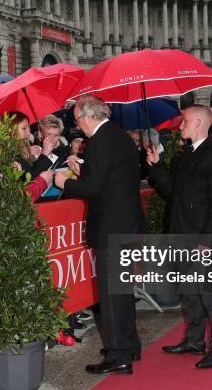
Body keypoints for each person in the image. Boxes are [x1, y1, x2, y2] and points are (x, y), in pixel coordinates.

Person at [54, 94, 145, 375]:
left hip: (111, 227)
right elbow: (109, 180)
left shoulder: (100, 141)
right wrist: (82, 170)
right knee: (123, 290)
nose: (77, 125)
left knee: (111, 294)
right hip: (127, 224)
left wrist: (64, 183)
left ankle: (118, 356)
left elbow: (93, 189)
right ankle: (129, 345)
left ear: (89, 115)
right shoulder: (118, 136)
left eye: (78, 118)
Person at [146, 104, 212, 369]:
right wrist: (157, 168)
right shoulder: (186, 154)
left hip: (202, 239)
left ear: (196, 123)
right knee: (190, 292)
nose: (179, 126)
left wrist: (206, 240)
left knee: (209, 294)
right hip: (181, 235)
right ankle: (194, 341)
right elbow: (174, 193)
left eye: (183, 122)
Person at [10, 112, 59, 178]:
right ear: (12, 130)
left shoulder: (24, 147)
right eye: (24, 128)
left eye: (28, 127)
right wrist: (44, 153)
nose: (28, 133)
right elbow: (30, 178)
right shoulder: (11, 153)